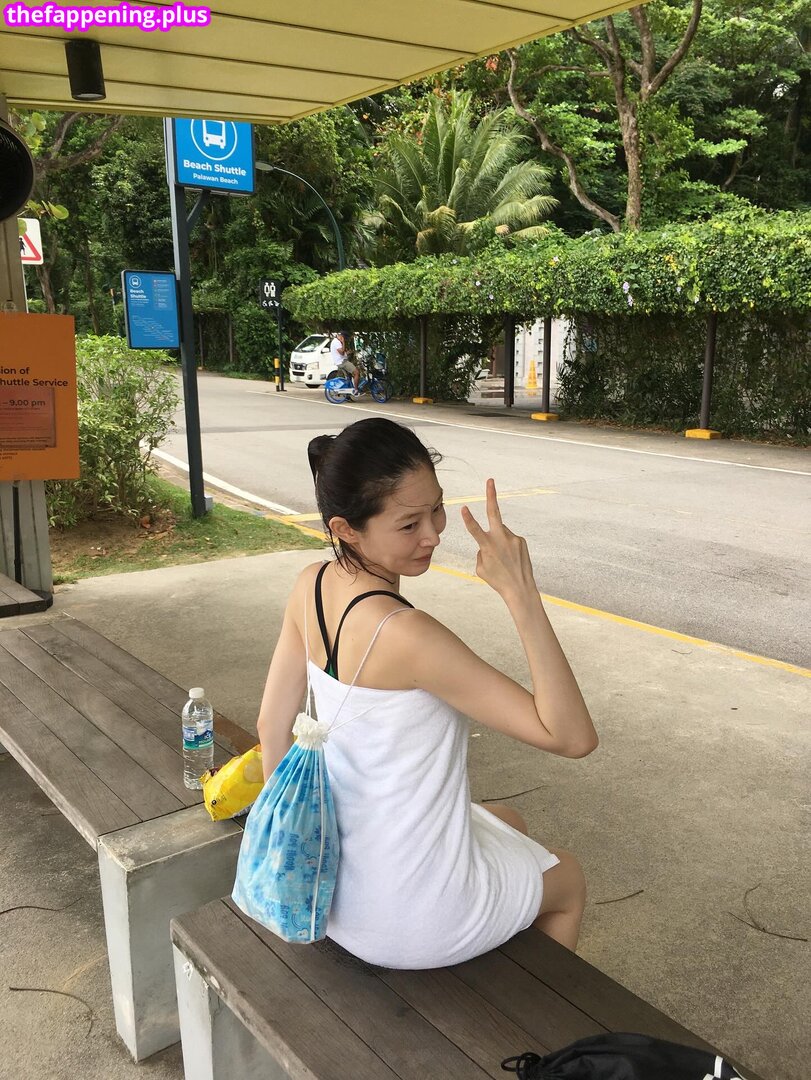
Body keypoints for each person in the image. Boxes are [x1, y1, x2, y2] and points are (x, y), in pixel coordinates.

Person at [255, 417, 597, 969]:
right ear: (347, 529)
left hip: (330, 890)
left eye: (436, 509)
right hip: (414, 923)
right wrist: (520, 591)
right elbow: (572, 737)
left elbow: (271, 727)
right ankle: (532, 1018)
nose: (433, 534)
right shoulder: (407, 636)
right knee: (569, 877)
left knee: (510, 821)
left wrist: (297, 852)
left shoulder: (310, 584)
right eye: (408, 523)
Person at [329, 329, 359, 396]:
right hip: (342, 362)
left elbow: (343, 353)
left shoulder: (337, 341)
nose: (345, 340)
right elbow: (342, 352)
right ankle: (356, 390)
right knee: (356, 372)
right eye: (344, 338)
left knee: (349, 376)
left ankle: (347, 395)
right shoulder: (336, 342)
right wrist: (343, 342)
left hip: (342, 361)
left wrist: (349, 352)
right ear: (342, 337)